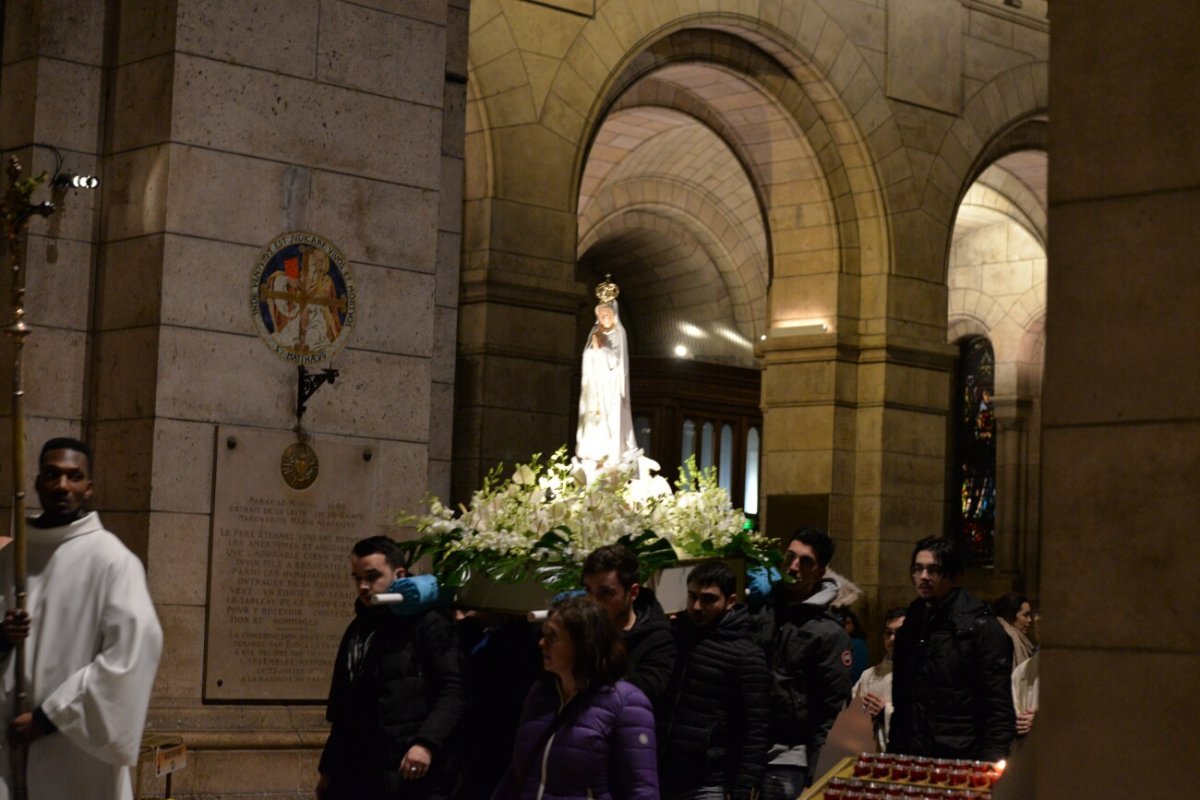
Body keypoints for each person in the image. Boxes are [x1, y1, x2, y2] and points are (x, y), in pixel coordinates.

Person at [0, 437, 163, 800]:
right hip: (5, 741)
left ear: (89, 487)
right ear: (38, 481)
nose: (62, 485)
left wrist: (49, 718)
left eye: (74, 476)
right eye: (52, 475)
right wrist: (2, 636)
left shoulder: (113, 561)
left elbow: (130, 656)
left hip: (72, 751)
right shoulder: (11, 559)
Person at [318, 536, 464, 800]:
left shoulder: (428, 624)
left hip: (405, 767)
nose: (363, 586)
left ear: (399, 574)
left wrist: (426, 743)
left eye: (372, 576)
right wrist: (329, 768)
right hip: (357, 768)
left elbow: (453, 689)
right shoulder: (359, 627)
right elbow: (345, 702)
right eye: (357, 577)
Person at [492, 595, 658, 799]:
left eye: (552, 637)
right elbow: (518, 772)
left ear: (583, 643)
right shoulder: (541, 693)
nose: (542, 643)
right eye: (543, 635)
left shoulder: (626, 702)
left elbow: (641, 790)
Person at [889, 536, 1016, 762]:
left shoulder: (981, 627)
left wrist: (989, 765)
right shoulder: (912, 624)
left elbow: (998, 707)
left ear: (954, 576)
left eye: (933, 570)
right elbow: (903, 701)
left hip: (961, 754)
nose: (924, 577)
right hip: (913, 753)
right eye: (918, 569)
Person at [658, 561, 770, 800]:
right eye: (692, 597)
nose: (697, 606)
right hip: (665, 773)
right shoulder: (675, 638)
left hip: (711, 780)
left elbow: (756, 729)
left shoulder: (746, 654)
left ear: (730, 601)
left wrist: (744, 788)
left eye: (708, 599)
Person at [757, 528, 853, 797]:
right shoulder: (762, 611)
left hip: (791, 758)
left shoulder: (828, 633)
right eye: (789, 557)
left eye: (805, 562)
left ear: (820, 572)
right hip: (749, 751)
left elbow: (832, 713)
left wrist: (819, 776)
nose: (794, 566)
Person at [581, 544, 675, 706]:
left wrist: (606, 642)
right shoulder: (581, 625)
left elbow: (646, 694)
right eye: (588, 590)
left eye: (606, 592)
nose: (593, 602)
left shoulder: (657, 638)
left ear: (633, 592)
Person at [575, 293, 637, 465]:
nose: (603, 318)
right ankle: (593, 454)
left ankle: (612, 457)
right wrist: (594, 348)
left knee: (611, 421)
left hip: (611, 387)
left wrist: (601, 350)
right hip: (595, 388)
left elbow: (617, 361)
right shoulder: (594, 333)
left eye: (606, 315)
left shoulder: (619, 333)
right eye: (600, 316)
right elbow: (587, 356)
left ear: (613, 315)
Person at [852, 607, 907, 752]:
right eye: (889, 633)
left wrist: (886, 711)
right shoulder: (869, 675)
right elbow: (850, 716)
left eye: (899, 632)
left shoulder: (924, 674)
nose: (892, 639)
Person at [992, 593, 1035, 667]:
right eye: (1025, 615)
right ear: (1010, 616)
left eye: (1029, 615)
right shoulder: (1003, 641)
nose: (1030, 620)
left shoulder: (1020, 640)